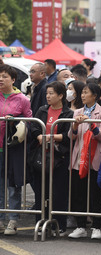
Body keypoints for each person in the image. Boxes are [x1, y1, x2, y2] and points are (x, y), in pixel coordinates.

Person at [30, 81, 73, 236]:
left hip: (60, 158)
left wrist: (49, 137)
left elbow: (68, 135)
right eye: (46, 93)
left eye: (51, 93)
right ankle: (40, 222)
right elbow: (33, 127)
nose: (47, 96)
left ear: (61, 95)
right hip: (41, 157)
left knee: (58, 193)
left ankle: (59, 225)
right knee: (41, 192)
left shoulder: (68, 114)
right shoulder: (42, 110)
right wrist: (39, 135)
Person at [68, 83, 101, 240]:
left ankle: (96, 226)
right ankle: (80, 226)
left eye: (86, 93)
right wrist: (75, 125)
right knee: (78, 192)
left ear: (95, 96)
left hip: (94, 157)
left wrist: (91, 124)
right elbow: (71, 136)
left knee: (96, 194)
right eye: (82, 93)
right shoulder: (77, 111)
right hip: (79, 157)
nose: (83, 95)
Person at [0, 64, 32, 235]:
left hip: (13, 148)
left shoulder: (22, 99)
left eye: (4, 76)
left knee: (13, 185)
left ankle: (12, 220)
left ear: (13, 80)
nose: (0, 79)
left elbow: (31, 122)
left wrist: (16, 120)